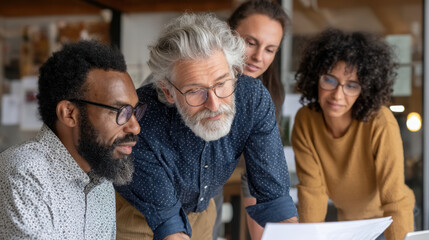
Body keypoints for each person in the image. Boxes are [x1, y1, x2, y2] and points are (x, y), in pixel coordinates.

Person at [115, 13, 298, 240]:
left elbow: (275, 199)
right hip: (139, 219)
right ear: (167, 91)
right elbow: (170, 227)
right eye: (195, 91)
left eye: (221, 83)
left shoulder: (252, 99)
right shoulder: (140, 121)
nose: (214, 104)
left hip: (200, 213)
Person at [0, 41, 146, 239]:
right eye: (121, 112)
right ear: (69, 113)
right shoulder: (25, 172)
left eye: (134, 111)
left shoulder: (102, 182)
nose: (135, 127)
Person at [292, 28, 415, 240]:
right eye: (329, 80)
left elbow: (395, 200)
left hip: (390, 222)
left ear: (364, 89)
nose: (338, 95)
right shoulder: (306, 120)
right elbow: (313, 193)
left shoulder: (380, 122)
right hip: (349, 224)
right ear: (315, 78)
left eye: (351, 85)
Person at [212, 1, 291, 239]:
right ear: (228, 32)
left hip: (211, 193)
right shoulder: (191, 70)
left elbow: (258, 175)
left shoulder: (264, 96)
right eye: (250, 42)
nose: (258, 57)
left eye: (270, 49)